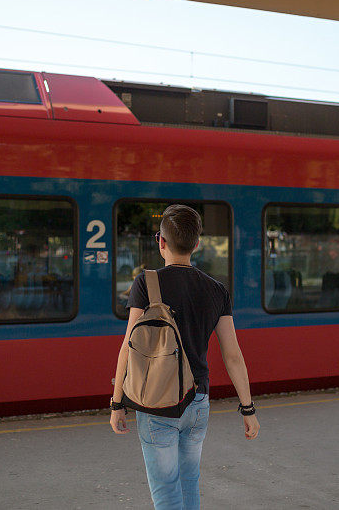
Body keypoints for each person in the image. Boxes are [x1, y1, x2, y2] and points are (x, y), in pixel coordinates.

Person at [110, 204, 260, 510]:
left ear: (161, 242)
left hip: (156, 402)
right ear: (198, 244)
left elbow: (128, 346)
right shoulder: (217, 290)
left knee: (166, 491)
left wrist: (117, 403)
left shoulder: (146, 283)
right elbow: (233, 355)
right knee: (189, 482)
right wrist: (248, 409)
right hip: (198, 401)